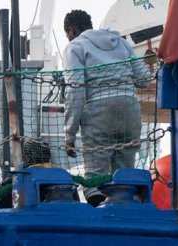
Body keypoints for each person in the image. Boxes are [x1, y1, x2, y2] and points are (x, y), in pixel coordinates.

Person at [62, 9, 150, 206]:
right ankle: (126, 221)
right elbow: (144, 78)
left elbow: (75, 91)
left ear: (71, 30)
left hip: (98, 112)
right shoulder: (120, 42)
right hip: (130, 108)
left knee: (95, 181)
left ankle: (100, 222)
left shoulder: (75, 47)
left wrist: (69, 135)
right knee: (124, 179)